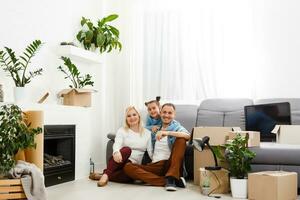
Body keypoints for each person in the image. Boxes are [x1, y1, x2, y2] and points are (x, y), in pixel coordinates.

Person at [124, 103, 190, 191]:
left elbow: (187, 136)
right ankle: (167, 181)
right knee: (128, 167)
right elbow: (140, 130)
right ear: (160, 113)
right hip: (155, 166)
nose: (166, 115)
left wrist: (167, 133)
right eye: (164, 112)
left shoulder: (176, 127)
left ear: (174, 115)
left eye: (170, 113)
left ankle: (171, 176)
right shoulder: (155, 130)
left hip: (170, 164)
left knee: (181, 140)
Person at [96, 106, 153, 187]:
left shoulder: (147, 133)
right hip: (119, 160)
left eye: (134, 114)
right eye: (128, 116)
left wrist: (157, 162)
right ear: (126, 118)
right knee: (127, 150)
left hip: (131, 165)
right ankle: (105, 176)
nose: (132, 117)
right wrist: (116, 152)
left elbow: (150, 152)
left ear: (139, 116)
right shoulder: (122, 130)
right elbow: (117, 143)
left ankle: (105, 175)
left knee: (129, 178)